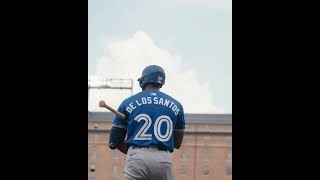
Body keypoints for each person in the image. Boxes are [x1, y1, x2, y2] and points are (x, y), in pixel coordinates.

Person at [108, 65, 185, 180]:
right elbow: (177, 143)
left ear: (143, 80)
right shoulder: (177, 105)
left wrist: (133, 149)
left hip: (137, 156)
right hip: (163, 159)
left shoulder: (128, 103)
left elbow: (114, 142)